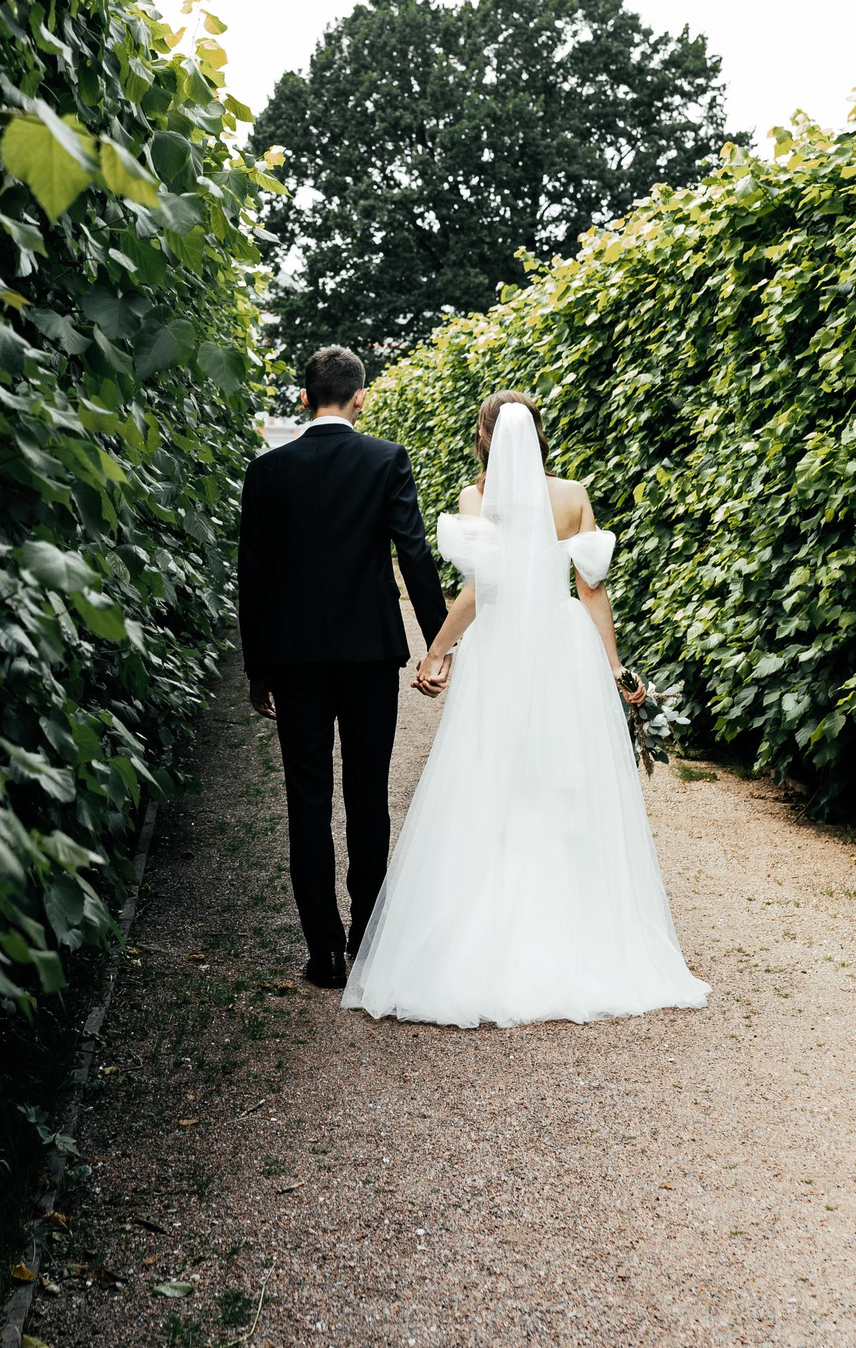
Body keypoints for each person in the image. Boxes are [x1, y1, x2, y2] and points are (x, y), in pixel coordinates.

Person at [343, 393, 709, 1027]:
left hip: (502, 649)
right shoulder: (571, 497)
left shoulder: (476, 497)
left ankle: (492, 929)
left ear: (484, 437)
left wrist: (435, 653)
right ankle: (573, 927)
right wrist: (615, 666)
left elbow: (481, 591)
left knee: (493, 778)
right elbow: (591, 590)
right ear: (538, 436)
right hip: (562, 648)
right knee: (562, 779)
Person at [238, 346, 449, 990]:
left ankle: (324, 952)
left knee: (307, 801)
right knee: (367, 795)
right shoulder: (386, 459)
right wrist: (439, 642)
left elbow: (253, 575)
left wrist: (257, 668)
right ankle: (369, 938)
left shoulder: (267, 470)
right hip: (368, 653)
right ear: (360, 398)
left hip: (295, 657)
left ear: (305, 398)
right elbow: (413, 555)